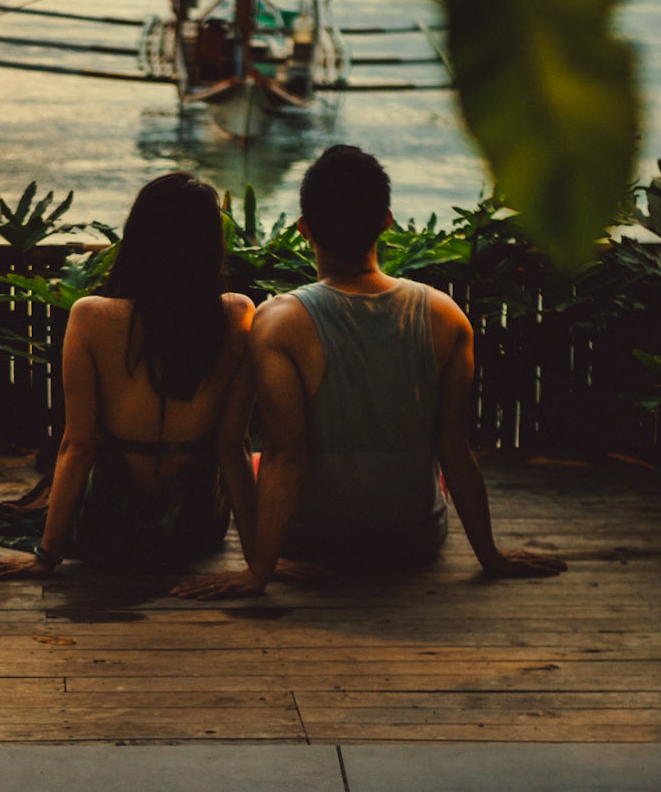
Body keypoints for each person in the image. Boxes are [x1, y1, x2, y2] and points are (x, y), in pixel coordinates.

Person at [175, 144, 566, 600]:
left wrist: (258, 571)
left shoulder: (278, 322)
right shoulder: (446, 317)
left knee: (263, 459)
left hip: (311, 544)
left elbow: (286, 453)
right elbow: (455, 446)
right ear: (387, 221)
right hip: (411, 542)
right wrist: (491, 556)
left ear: (304, 230)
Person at [0, 172, 266, 581]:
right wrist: (260, 564)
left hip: (107, 530)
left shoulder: (91, 316)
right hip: (192, 530)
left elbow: (79, 444)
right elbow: (233, 447)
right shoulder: (238, 314)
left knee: (51, 476)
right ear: (211, 244)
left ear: (138, 239)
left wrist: (45, 555)